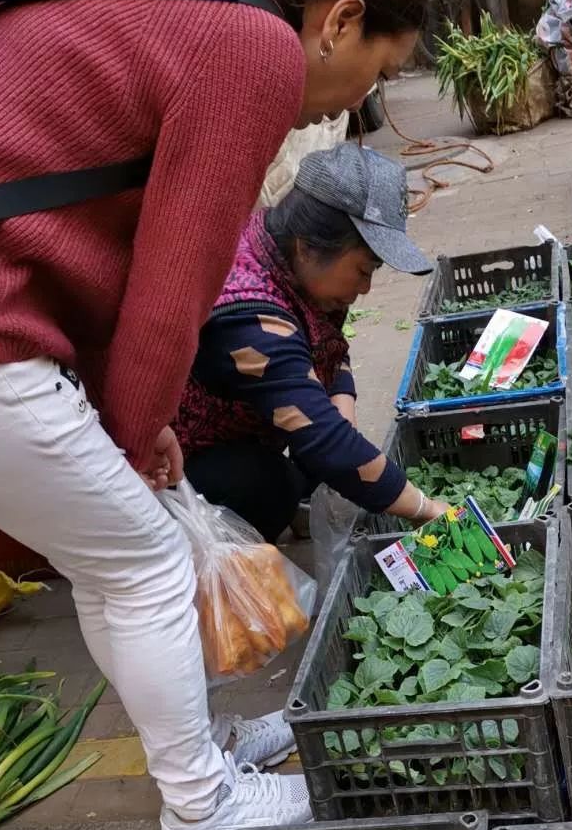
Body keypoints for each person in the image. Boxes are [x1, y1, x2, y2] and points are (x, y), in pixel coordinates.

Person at [0, 0, 428, 830]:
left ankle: (199, 766)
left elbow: (73, 214)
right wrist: (134, 432)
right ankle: (201, 805)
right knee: (144, 562)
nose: (352, 103)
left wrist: (123, 419)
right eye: (377, 74)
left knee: (113, 559)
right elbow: (171, 285)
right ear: (341, 18)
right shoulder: (250, 42)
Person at [176, 143, 449, 541]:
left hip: (255, 420)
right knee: (271, 487)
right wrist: (424, 508)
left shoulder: (291, 259)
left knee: (330, 450)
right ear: (308, 246)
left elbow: (330, 345)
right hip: (178, 460)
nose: (367, 287)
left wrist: (342, 403)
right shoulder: (247, 314)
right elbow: (324, 441)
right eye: (363, 269)